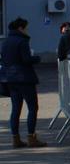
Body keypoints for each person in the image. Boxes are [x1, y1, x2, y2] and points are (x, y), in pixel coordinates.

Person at [1, 18, 47, 148]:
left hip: (10, 78)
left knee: (16, 108)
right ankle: (31, 137)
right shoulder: (22, 41)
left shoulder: (6, 42)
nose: (27, 30)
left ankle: (15, 138)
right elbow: (26, 60)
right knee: (32, 107)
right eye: (26, 27)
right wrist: (37, 58)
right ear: (20, 28)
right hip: (24, 78)